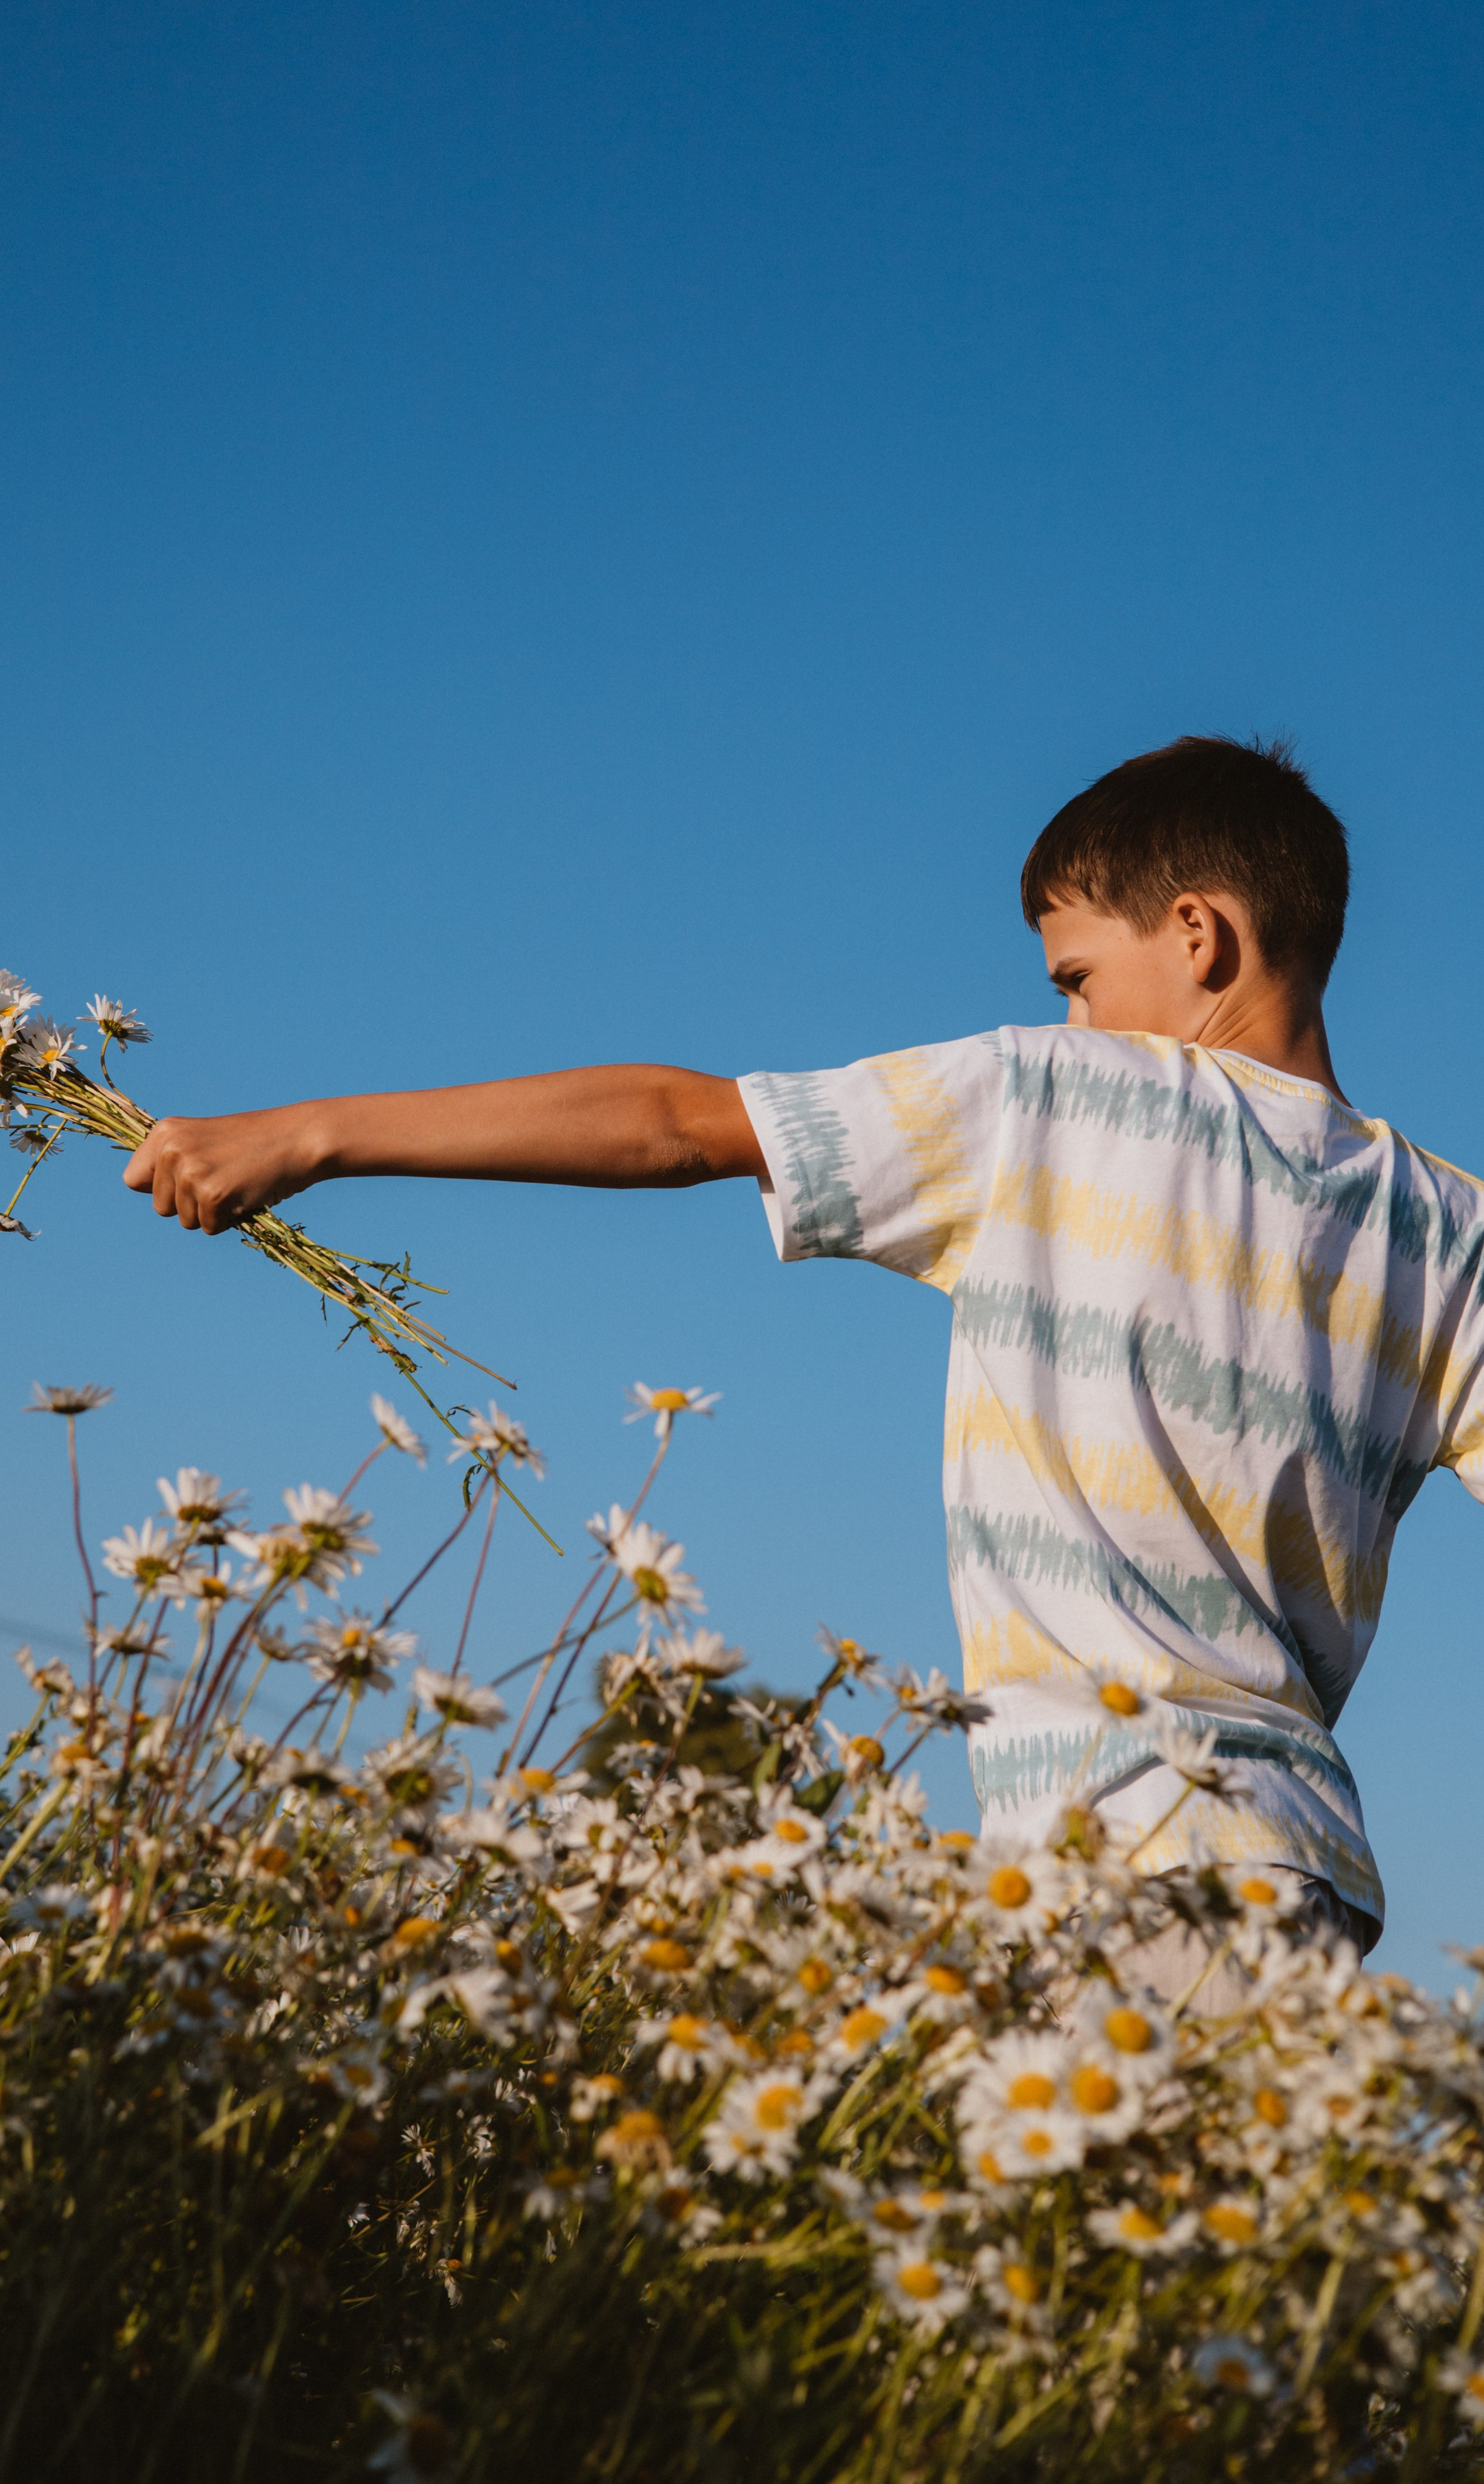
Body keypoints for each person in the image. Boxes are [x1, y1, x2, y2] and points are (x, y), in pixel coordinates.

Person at [123, 735, 1484, 1964]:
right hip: (1302, 1867)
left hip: (1114, 1851)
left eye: (1075, 977)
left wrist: (310, 1133)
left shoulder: (1056, 1095)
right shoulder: (1448, 1229)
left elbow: (675, 1123)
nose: (1066, 1014)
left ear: (1196, 935)